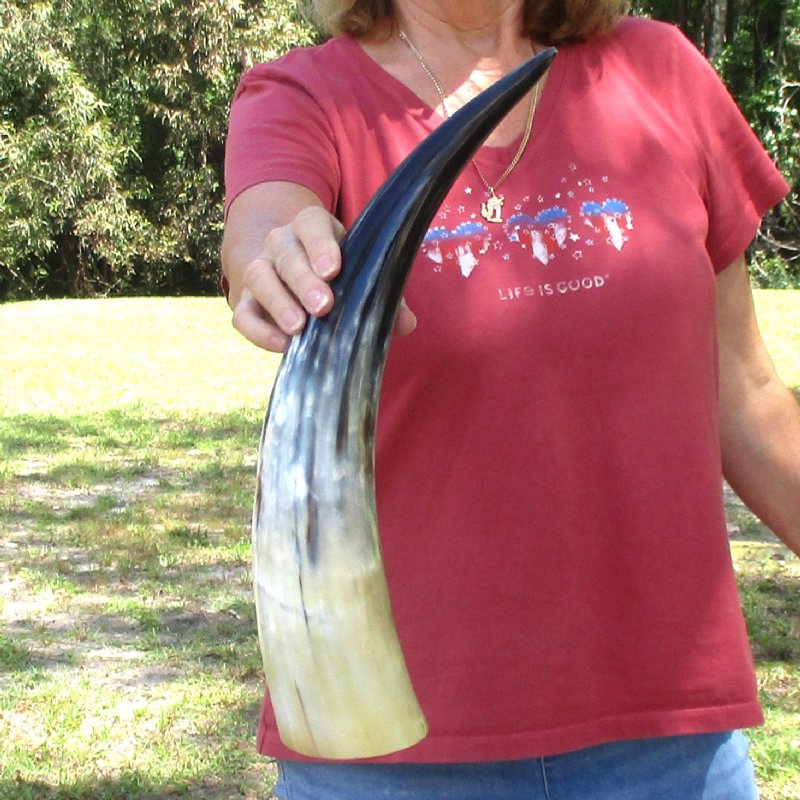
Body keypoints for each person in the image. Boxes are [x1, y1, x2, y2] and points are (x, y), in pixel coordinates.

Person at [221, 1, 800, 797]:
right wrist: (285, 257)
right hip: (382, 749)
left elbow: (749, 397)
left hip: (669, 745)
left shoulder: (660, 71)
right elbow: (267, 223)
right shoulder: (306, 95)